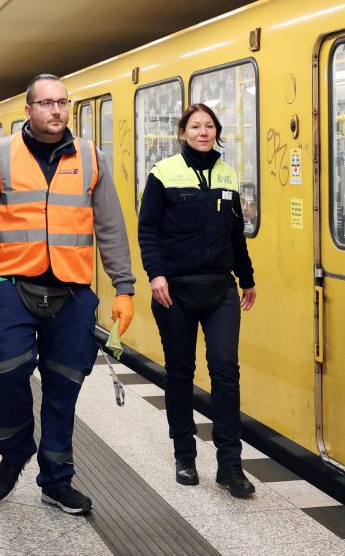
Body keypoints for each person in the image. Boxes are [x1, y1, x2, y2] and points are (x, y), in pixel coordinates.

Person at [0, 73, 135, 515]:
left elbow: (110, 226)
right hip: (11, 288)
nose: (56, 111)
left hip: (72, 293)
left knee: (64, 385)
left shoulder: (91, 159)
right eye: (47, 103)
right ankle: (15, 449)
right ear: (28, 110)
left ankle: (57, 480)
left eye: (62, 103)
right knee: (6, 372)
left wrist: (124, 287)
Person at [136, 102, 257, 497]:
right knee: (180, 373)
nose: (203, 132)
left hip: (220, 288)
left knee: (226, 372)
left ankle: (230, 465)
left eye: (209, 126)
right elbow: (148, 229)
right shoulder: (163, 174)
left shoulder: (227, 174)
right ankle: (185, 456)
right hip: (176, 290)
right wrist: (156, 274)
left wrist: (247, 278)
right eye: (195, 126)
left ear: (216, 132)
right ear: (182, 132)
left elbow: (235, 233)